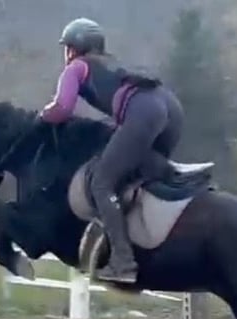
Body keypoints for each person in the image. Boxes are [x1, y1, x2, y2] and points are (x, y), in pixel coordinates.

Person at [38, 17, 185, 283]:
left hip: (144, 113)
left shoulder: (76, 67)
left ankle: (123, 262)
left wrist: (42, 116)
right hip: (171, 110)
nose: (66, 53)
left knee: (102, 183)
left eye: (67, 47)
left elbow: (62, 108)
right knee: (138, 169)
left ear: (75, 48)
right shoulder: (113, 63)